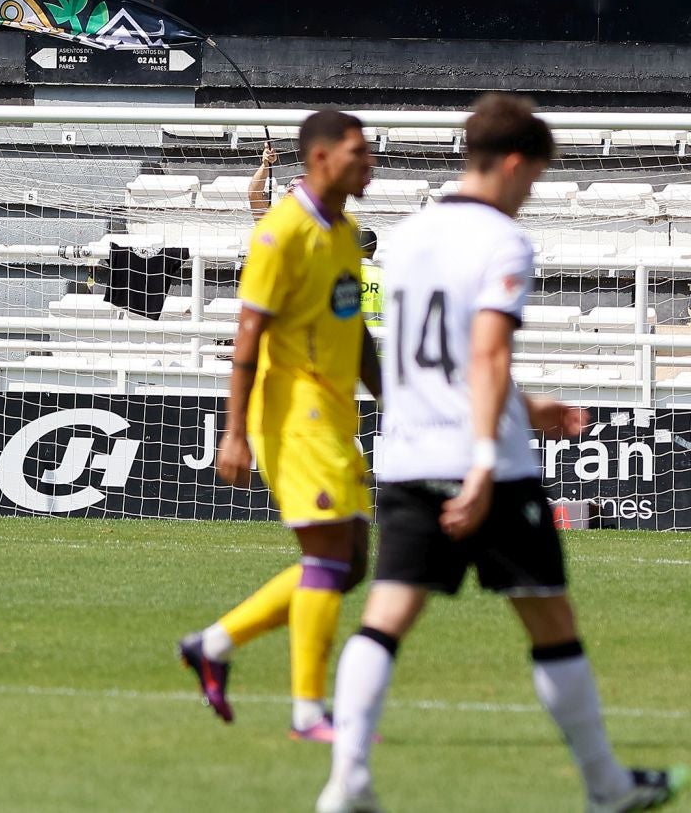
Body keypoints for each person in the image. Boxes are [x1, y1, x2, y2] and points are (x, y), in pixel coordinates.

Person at [316, 94, 689, 813]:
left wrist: (527, 404)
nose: (530, 194)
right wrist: (486, 459)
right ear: (516, 164)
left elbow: (450, 356)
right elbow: (485, 353)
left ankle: (346, 780)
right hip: (486, 465)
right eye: (535, 179)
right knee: (551, 621)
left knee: (384, 618)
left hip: (408, 454)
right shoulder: (503, 240)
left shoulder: (409, 236)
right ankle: (607, 786)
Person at [177, 111, 379, 743]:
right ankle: (309, 713)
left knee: (351, 563)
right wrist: (233, 433)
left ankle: (212, 645)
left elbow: (354, 328)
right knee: (329, 556)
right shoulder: (280, 233)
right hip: (292, 417)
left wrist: (393, 403)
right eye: (357, 152)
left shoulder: (345, 233)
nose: (369, 163)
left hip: (334, 416)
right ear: (320, 158)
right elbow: (247, 338)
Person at [355, 227, 381, 331]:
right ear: (374, 248)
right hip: (379, 335)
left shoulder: (343, 275)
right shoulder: (383, 275)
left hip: (351, 335)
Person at [246, 141, 278, 218]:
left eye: (296, 186)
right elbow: (254, 196)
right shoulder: (275, 212)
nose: (290, 188)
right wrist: (265, 165)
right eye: (290, 185)